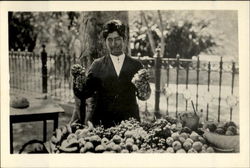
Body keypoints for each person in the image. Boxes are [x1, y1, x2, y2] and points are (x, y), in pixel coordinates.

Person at [70, 19, 151, 128]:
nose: (114, 44)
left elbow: (144, 96)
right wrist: (78, 79)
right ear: (105, 42)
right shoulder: (97, 65)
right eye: (110, 40)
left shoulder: (136, 65)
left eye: (117, 39)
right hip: (102, 124)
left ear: (124, 40)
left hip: (129, 124)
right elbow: (84, 93)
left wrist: (143, 87)